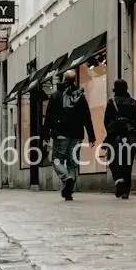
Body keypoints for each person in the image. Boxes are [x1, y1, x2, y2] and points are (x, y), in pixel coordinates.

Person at [43, 68, 96, 201]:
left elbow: (49, 116)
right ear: (74, 80)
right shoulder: (80, 96)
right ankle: (69, 189)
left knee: (56, 160)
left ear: (63, 79)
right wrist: (91, 135)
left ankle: (66, 179)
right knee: (73, 162)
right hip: (77, 134)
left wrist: (45, 134)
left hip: (61, 133)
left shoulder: (56, 95)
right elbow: (86, 116)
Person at [104, 78, 136, 199]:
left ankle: (118, 180)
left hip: (116, 136)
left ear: (115, 89)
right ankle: (126, 191)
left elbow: (106, 121)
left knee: (113, 160)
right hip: (130, 137)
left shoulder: (111, 102)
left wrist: (111, 131)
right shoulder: (133, 103)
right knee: (128, 164)